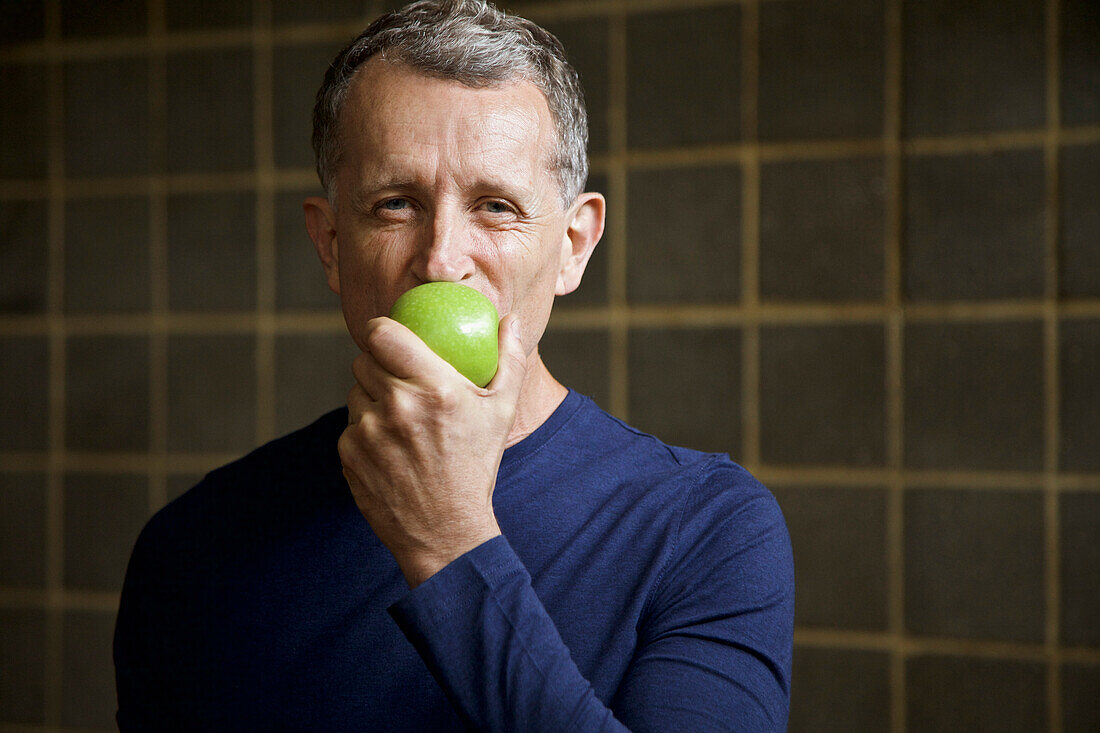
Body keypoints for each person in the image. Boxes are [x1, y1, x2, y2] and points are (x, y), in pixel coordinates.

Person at [113, 0, 794, 730]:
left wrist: (448, 542)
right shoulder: (193, 547)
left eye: (496, 206)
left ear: (572, 245)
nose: (441, 260)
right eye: (396, 204)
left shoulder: (707, 530)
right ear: (330, 243)